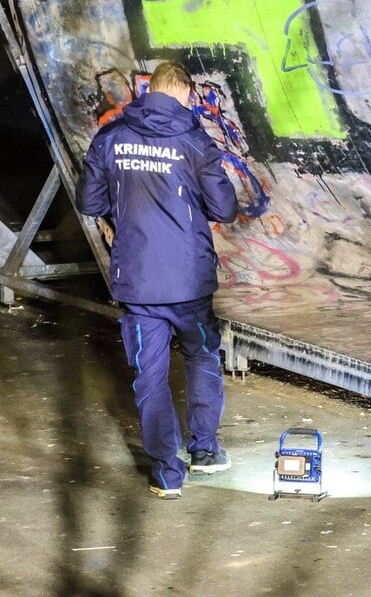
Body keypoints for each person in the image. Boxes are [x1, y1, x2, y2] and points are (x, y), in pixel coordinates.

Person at [78, 60, 239, 500]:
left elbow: (89, 202)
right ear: (184, 93)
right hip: (189, 282)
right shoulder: (193, 142)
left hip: (139, 282)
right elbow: (224, 208)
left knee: (149, 375)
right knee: (202, 357)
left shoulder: (110, 138)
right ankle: (204, 451)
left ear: (150, 91)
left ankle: (167, 474)